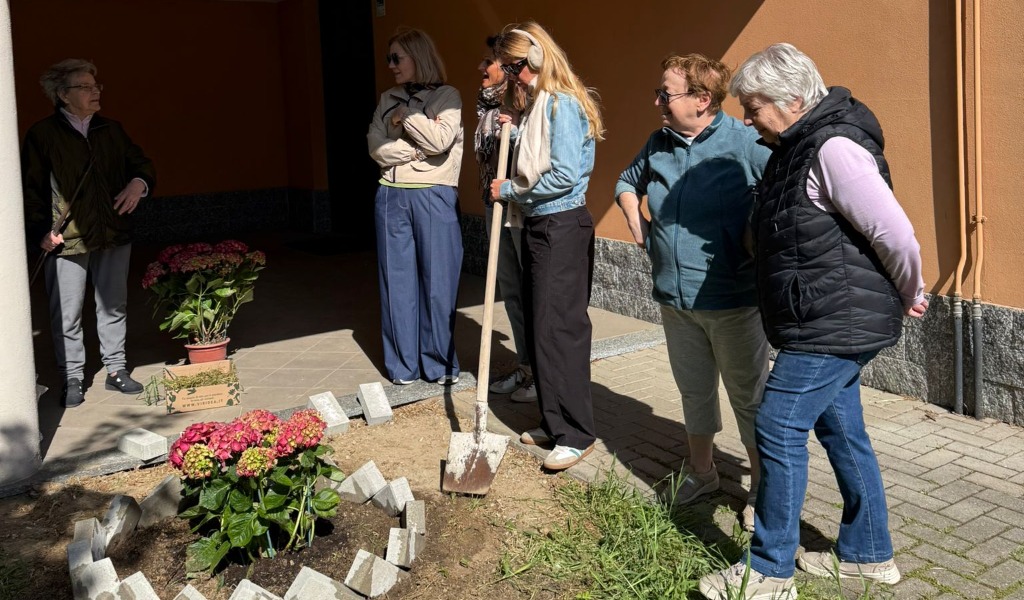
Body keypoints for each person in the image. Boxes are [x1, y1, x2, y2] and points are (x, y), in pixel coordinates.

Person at [699, 42, 928, 600]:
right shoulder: (793, 147)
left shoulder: (833, 148)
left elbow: (893, 232)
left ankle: (769, 572)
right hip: (819, 318)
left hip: (835, 322)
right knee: (840, 427)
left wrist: (911, 291)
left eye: (753, 106)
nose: (746, 118)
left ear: (793, 100)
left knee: (777, 425)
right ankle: (869, 557)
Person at [614, 53, 770, 531]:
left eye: (666, 93)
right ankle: (702, 474)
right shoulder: (658, 142)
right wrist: (635, 220)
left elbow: (786, 199)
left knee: (749, 397)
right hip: (675, 300)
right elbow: (626, 180)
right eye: (659, 92)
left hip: (733, 301)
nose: (657, 100)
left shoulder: (745, 144)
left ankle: (763, 487)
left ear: (703, 100)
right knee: (694, 391)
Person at [490, 22, 605, 471]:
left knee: (561, 332)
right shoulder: (541, 105)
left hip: (561, 226)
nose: (512, 76)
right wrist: (516, 133)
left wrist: (511, 191)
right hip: (541, 226)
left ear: (535, 59)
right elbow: (543, 157)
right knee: (542, 329)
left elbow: (560, 176)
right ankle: (554, 422)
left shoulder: (563, 103)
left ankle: (577, 434)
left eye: (513, 66)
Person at [22, 59, 155, 408]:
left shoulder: (111, 129)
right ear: (63, 95)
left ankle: (116, 369)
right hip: (66, 236)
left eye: (97, 85)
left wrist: (137, 185)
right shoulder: (42, 135)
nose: (96, 91)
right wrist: (40, 231)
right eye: (86, 86)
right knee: (66, 312)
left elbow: (140, 164)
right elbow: (31, 188)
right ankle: (73, 377)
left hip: (112, 230)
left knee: (114, 304)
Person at [367, 27, 464, 386]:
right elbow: (376, 148)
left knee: (438, 284)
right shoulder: (385, 97)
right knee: (397, 283)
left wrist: (406, 115)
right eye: (388, 58)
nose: (391, 65)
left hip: (433, 195)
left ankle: (439, 364)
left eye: (397, 58)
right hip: (390, 194)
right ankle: (403, 367)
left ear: (418, 56)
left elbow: (440, 140)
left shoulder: (447, 96)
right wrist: (414, 151)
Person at [473, 34, 535, 401]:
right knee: (510, 289)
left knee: (531, 290)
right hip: (493, 201)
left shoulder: (526, 103)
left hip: (521, 206)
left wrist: (512, 124)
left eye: (489, 61)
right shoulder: (488, 106)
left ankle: (541, 374)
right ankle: (525, 366)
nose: (482, 68)